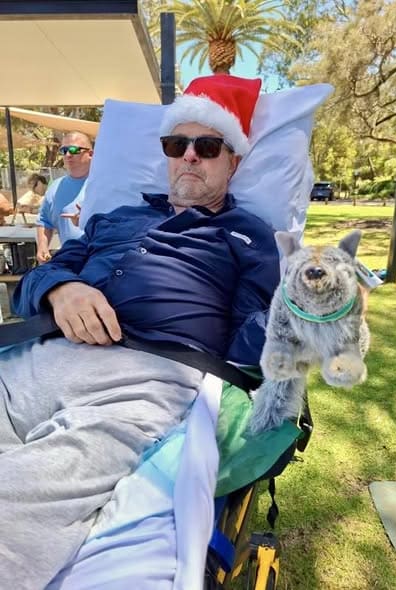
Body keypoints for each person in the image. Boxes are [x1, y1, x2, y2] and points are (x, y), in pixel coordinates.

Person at [0, 74, 280, 589]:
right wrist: (62, 289)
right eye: (178, 144)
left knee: (17, 500)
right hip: (39, 355)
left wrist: (304, 317)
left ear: (233, 162)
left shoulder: (249, 236)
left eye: (207, 146)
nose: (189, 155)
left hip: (142, 383)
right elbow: (33, 283)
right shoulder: (114, 218)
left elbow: (252, 339)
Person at [35, 131, 93, 263]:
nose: (68, 155)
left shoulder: (105, 185)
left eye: (73, 150)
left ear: (90, 154)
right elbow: (44, 221)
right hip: (69, 262)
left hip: (101, 261)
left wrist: (88, 220)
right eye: (64, 150)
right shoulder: (55, 187)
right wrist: (42, 246)